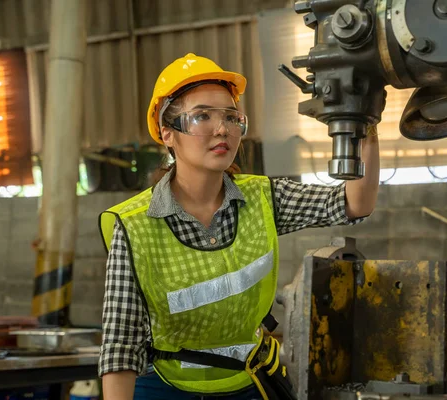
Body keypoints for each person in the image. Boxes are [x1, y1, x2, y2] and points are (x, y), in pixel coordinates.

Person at [97, 53, 381, 400]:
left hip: (253, 383)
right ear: (167, 133)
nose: (223, 129)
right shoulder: (134, 226)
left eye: (232, 118)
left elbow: (355, 202)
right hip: (168, 389)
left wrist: (365, 123)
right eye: (202, 116)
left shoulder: (263, 197)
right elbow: (120, 346)